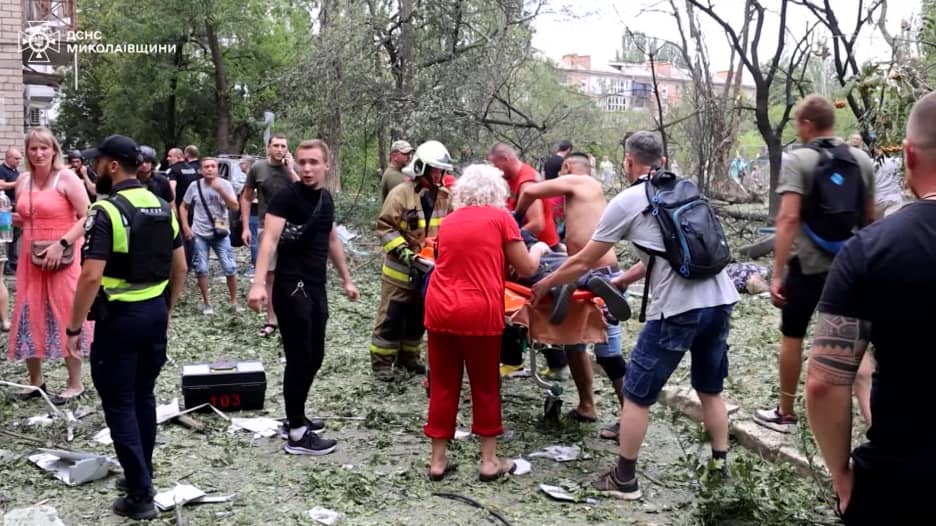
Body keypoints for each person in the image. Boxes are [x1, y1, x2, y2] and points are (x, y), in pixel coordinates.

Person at [531, 131, 739, 499]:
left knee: (638, 394)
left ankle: (624, 478)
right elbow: (673, 251)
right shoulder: (687, 189)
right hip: (720, 299)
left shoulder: (630, 199)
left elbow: (582, 259)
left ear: (629, 161)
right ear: (661, 158)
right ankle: (720, 468)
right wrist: (625, 278)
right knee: (710, 388)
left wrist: (547, 282)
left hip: (677, 310)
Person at [805, 92, 936, 525]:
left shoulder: (871, 250)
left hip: (904, 485)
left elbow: (824, 381)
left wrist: (841, 473)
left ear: (910, 156)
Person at [66, 134, 186, 520]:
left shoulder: (107, 211)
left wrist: (73, 329)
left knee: (119, 404)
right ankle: (142, 471)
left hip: (119, 320)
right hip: (153, 315)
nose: (94, 168)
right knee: (142, 397)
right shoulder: (160, 206)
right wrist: (167, 309)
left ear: (113, 166)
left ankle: (140, 494)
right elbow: (180, 266)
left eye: (98, 162)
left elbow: (89, 277)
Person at [754, 95, 876, 434]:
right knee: (856, 347)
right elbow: (870, 218)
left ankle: (785, 412)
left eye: (798, 123)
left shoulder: (800, 160)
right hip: (850, 270)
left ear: (807, 124)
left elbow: (789, 218)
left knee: (792, 337)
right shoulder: (861, 160)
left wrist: (777, 273)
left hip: (807, 269)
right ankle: (875, 424)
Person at [424, 164, 549, 481]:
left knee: (442, 384)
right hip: (478, 310)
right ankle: (489, 461)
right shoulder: (501, 219)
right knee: (484, 385)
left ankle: (437, 462)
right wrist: (539, 248)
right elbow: (524, 268)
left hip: (439, 308)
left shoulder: (449, 222)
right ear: (498, 192)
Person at [248, 139, 358, 455]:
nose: (307, 168)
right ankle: (297, 433)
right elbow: (267, 241)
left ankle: (297, 415)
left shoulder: (325, 199)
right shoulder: (286, 198)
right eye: (302, 162)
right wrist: (258, 284)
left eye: (313, 162)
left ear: (326, 165)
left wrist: (347, 280)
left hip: (315, 285)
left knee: (315, 355)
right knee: (299, 356)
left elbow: (333, 239)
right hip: (291, 286)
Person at [515, 152, 630, 439]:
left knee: (602, 351)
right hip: (590, 268)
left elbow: (529, 190)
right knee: (578, 344)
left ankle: (626, 418)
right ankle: (587, 406)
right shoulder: (592, 192)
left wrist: (516, 217)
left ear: (567, 168)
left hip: (595, 268)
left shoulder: (579, 181)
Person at [8, 128, 92, 404]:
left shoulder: (66, 178)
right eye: (33, 148)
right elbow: (25, 216)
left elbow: (89, 216)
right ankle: (35, 380)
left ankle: (75, 382)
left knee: (67, 313)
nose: (39, 153)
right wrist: (11, 219)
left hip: (64, 256)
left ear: (54, 150)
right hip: (30, 256)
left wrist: (62, 243)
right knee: (28, 311)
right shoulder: (22, 180)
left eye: (44, 148)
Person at [370, 140, 454, 380]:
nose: (439, 175)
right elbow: (385, 227)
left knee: (418, 317)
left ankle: (409, 357)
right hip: (400, 271)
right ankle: (382, 364)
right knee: (392, 318)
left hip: (427, 271)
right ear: (421, 168)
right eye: (434, 170)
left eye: (441, 170)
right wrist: (404, 251)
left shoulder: (445, 197)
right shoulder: (400, 194)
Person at [240, 133, 299, 337]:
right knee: (270, 275)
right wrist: (246, 227)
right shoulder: (258, 168)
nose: (280, 149)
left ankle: (292, 318)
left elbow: (306, 194)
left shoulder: (295, 167)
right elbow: (247, 197)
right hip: (267, 226)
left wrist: (291, 170)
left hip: (293, 228)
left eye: (283, 146)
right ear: (268, 147)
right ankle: (271, 319)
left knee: (292, 275)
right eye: (276, 145)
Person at [180, 158, 241, 315]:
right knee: (201, 268)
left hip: (221, 232)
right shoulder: (195, 186)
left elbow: (234, 207)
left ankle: (234, 302)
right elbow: (183, 206)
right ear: (201, 170)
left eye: (213, 166)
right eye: (206, 167)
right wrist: (186, 227)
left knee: (230, 267)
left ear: (217, 169)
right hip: (200, 233)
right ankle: (206, 302)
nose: (210, 169)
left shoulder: (226, 185)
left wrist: (221, 191)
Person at [488, 143, 560, 249]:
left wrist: (506, 242)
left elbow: (537, 224)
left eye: (495, 165)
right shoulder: (510, 178)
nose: (495, 170)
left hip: (540, 248)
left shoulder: (527, 182)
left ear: (505, 159)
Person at [166, 147, 200, 270]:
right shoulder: (192, 169)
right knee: (190, 236)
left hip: (181, 208)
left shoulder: (174, 170)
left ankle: (180, 264)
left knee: (178, 236)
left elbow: (172, 189)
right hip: (194, 208)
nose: (168, 158)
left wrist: (172, 206)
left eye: (170, 156)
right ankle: (192, 263)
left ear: (179, 157)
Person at [0, 147, 22, 273]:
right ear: (8, 158)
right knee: (6, 235)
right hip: (4, 208)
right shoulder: (2, 169)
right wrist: (18, 182)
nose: (19, 161)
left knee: (15, 236)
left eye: (19, 158)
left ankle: (13, 262)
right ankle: (6, 264)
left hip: (15, 207)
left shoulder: (15, 171)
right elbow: (1, 184)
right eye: (16, 158)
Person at [238, 156, 259, 275]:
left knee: (254, 240)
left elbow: (254, 197)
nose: (240, 166)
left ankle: (255, 266)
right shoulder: (251, 177)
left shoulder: (253, 178)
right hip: (251, 214)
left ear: (247, 164)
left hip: (255, 214)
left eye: (241, 163)